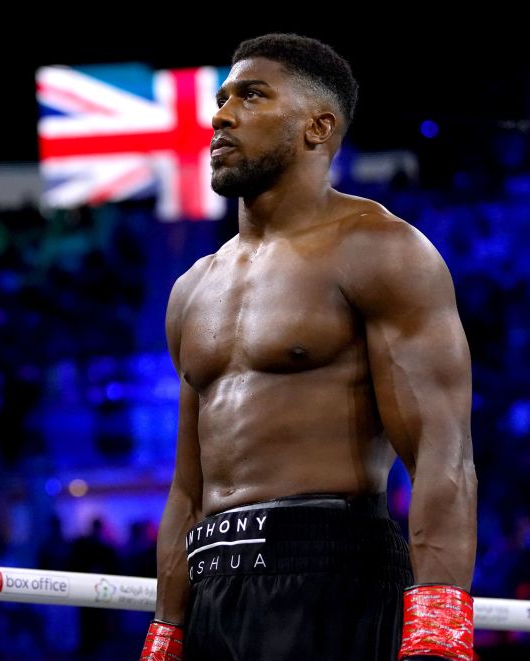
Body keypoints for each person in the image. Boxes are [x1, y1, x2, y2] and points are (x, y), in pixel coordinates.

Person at [139, 34, 477, 661]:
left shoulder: (381, 249)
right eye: (220, 98)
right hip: (211, 580)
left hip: (329, 570)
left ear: (317, 127)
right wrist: (168, 630)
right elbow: (187, 486)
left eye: (251, 95)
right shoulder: (192, 288)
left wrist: (438, 628)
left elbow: (441, 451)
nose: (220, 114)